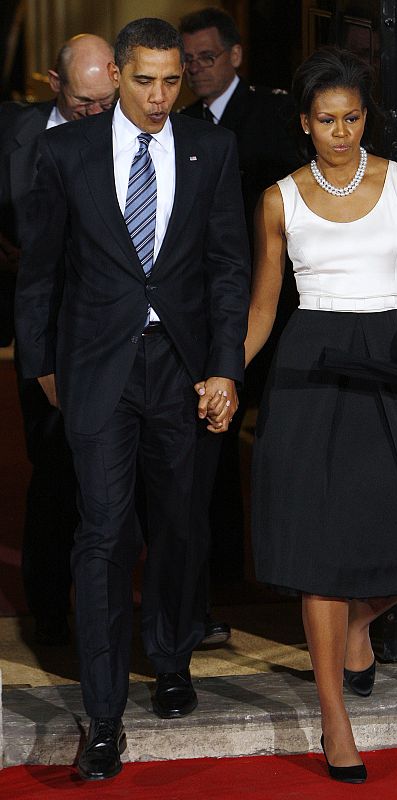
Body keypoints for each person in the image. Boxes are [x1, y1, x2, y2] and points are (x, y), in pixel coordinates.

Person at [239, 47, 397, 783]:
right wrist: (223, 373)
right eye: (326, 121)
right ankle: (332, 719)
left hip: (393, 354)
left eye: (351, 119)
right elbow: (261, 308)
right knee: (319, 549)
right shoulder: (277, 199)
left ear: (364, 119)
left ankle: (357, 624)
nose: (341, 133)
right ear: (304, 124)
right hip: (311, 364)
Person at [15, 17, 250, 781]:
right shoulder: (65, 150)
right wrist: (44, 367)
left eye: (171, 81)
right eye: (144, 80)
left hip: (181, 370)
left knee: (180, 524)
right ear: (116, 75)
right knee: (105, 533)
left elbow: (225, 269)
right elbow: (40, 269)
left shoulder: (209, 149)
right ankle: (107, 714)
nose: (158, 96)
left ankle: (173, 657)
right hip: (97, 371)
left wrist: (225, 368)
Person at [179, 6, 302, 645]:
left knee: (277, 440)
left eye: (205, 57)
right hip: (205, 311)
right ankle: (222, 568)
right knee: (211, 440)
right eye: (188, 59)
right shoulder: (175, 124)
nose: (196, 69)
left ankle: (281, 569)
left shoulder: (276, 118)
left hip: (279, 310)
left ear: (234, 57)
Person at [0, 33, 116, 645]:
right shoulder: (12, 134)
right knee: (53, 473)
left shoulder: (133, 134)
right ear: (53, 83)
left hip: (116, 332)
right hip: (43, 330)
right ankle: (50, 611)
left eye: (106, 100)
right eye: (83, 102)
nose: (96, 114)